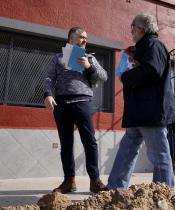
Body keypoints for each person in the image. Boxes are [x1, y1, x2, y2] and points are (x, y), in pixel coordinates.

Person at [107, 13, 175, 190]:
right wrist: (133, 58)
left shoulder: (154, 45)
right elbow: (144, 68)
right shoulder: (143, 47)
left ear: (141, 29)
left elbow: (151, 71)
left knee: (159, 156)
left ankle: (163, 193)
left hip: (150, 111)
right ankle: (115, 189)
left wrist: (125, 76)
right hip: (138, 111)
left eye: (132, 27)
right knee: (126, 151)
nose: (131, 31)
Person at [43, 27, 108, 193]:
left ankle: (95, 180)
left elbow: (104, 76)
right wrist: (48, 95)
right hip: (62, 104)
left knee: (90, 142)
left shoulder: (90, 58)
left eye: (86, 37)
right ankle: (69, 181)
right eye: (81, 37)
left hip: (83, 102)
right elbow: (49, 77)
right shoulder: (58, 58)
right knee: (66, 144)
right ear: (71, 38)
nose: (85, 40)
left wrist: (89, 66)